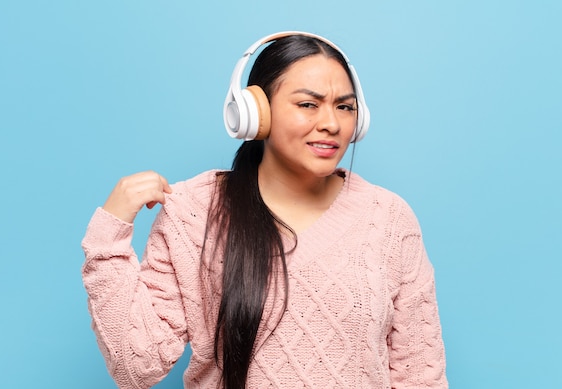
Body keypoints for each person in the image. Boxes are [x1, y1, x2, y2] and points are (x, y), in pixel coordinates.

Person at [81, 31, 448, 389]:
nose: (332, 124)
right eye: (308, 104)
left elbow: (420, 376)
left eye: (345, 107)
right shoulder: (195, 212)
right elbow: (136, 368)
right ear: (256, 112)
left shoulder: (388, 218)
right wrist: (107, 241)